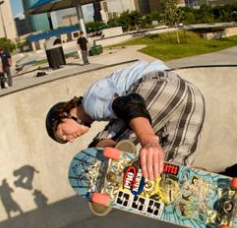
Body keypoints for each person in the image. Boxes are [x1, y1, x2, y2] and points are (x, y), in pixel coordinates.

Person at [45, 60, 205, 181]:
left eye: (63, 134)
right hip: (192, 96)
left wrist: (149, 141)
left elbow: (130, 103)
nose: (69, 139)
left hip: (158, 86)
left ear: (63, 114)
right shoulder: (98, 102)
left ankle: (113, 162)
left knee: (94, 151)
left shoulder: (90, 102)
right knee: (172, 174)